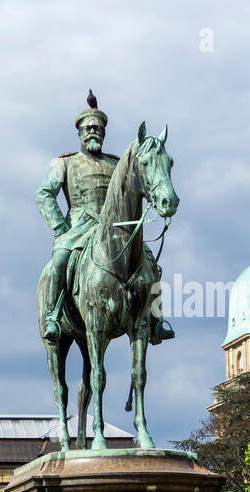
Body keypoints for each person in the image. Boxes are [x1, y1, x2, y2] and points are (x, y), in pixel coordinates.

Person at [37, 91, 172, 346]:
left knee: (149, 261)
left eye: (98, 128)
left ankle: (155, 319)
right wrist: (60, 226)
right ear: (79, 133)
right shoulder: (64, 163)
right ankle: (53, 316)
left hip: (112, 229)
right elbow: (44, 194)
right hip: (77, 227)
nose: (93, 132)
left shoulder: (115, 163)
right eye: (88, 128)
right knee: (59, 262)